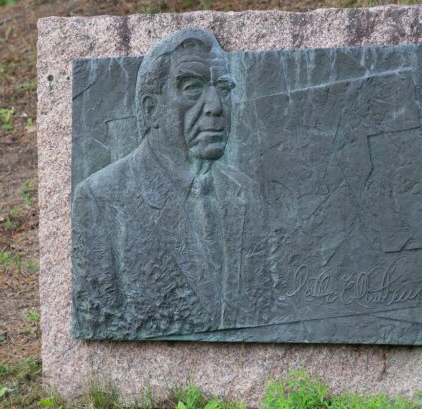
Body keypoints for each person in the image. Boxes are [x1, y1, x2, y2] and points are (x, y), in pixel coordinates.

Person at [71, 28, 272, 340]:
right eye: (192, 88)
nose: (215, 106)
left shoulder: (244, 193)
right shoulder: (100, 200)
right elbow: (99, 321)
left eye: (223, 88)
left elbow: (264, 307)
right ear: (152, 109)